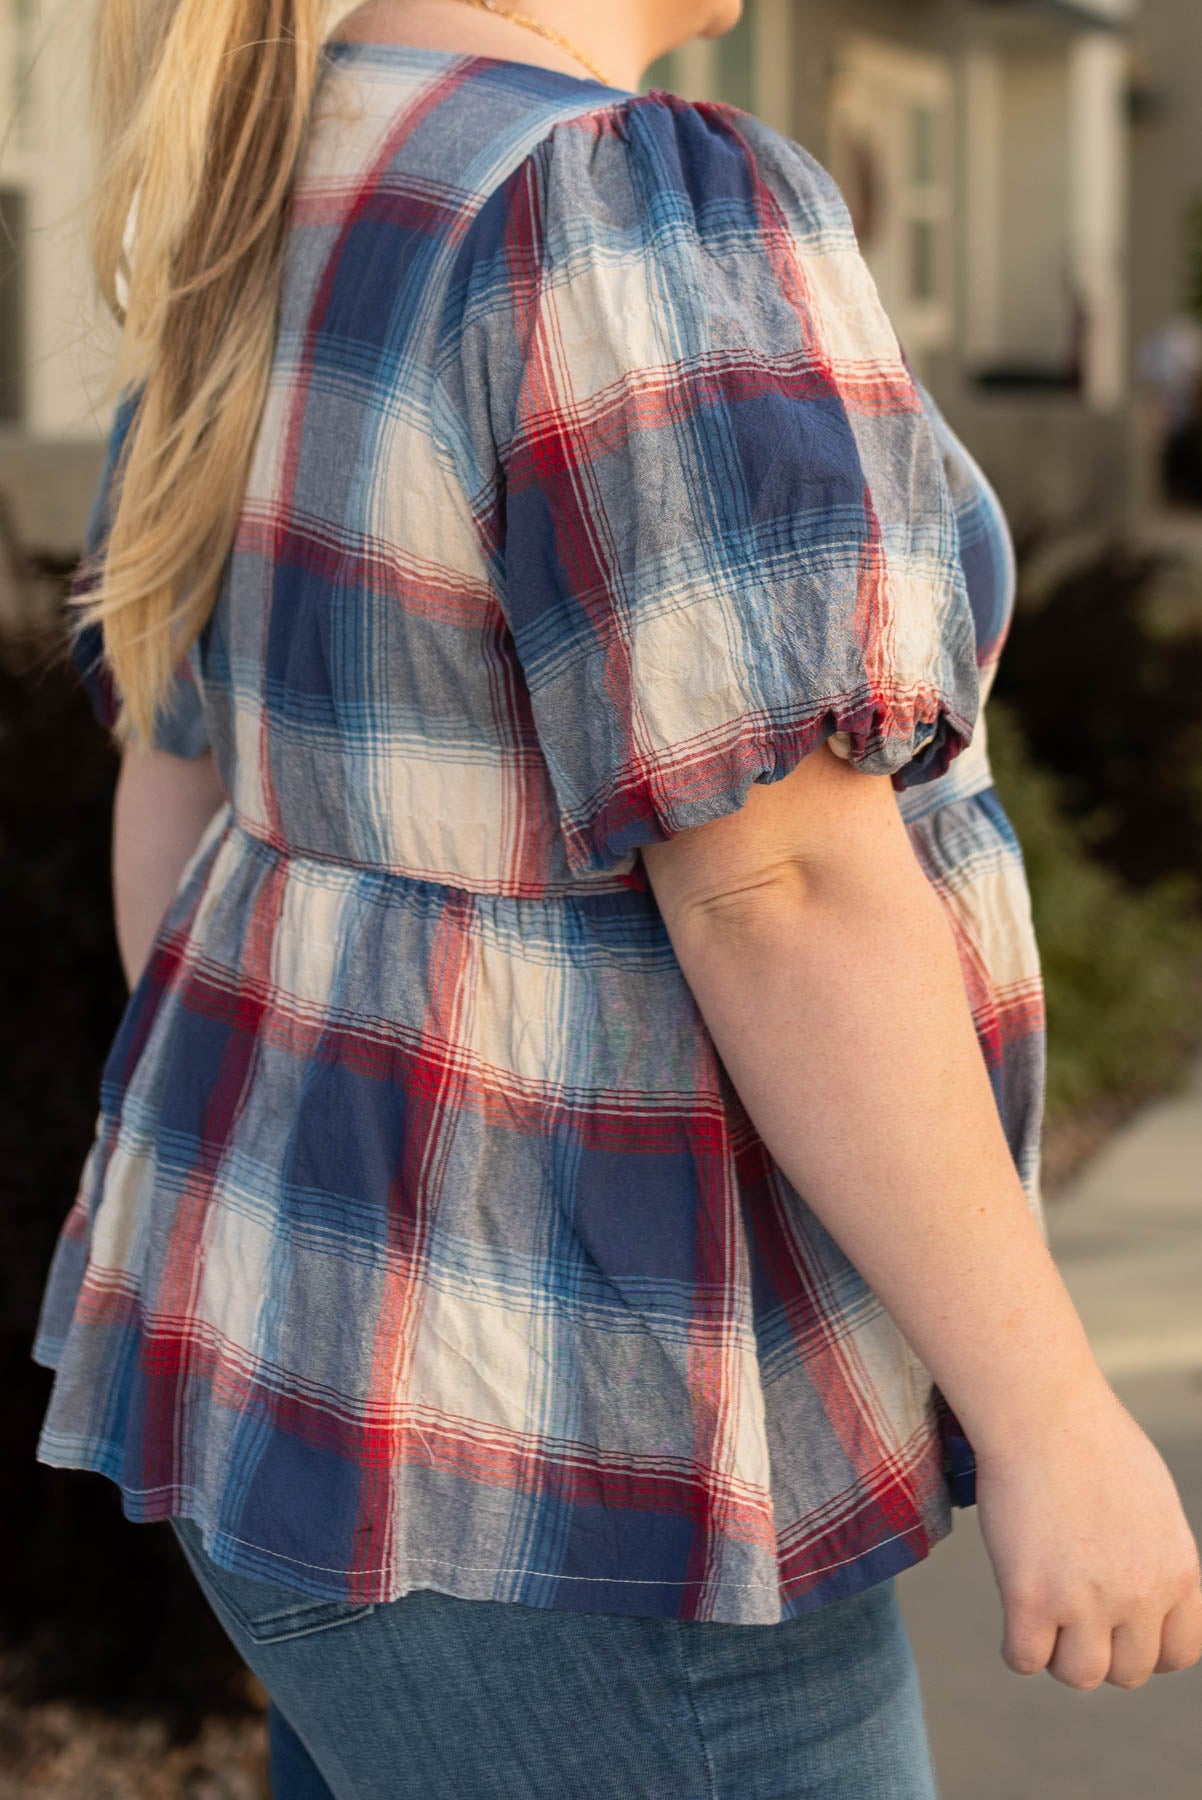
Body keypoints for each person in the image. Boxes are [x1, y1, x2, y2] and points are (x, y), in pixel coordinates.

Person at [31, 3, 1202, 1796]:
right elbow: (785, 880)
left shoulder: (284, 175)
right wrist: (1047, 1407)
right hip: (580, 1445)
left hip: (291, 1382)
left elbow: (181, 793)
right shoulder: (614, 205)